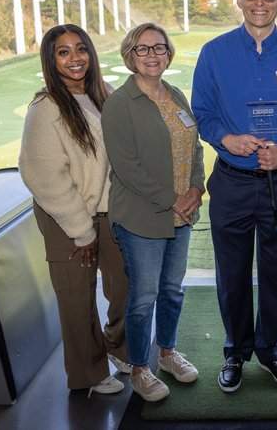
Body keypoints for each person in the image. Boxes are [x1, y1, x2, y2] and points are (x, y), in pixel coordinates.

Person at [191, 0, 277, 393]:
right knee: (230, 271)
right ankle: (235, 351)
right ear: (240, 0)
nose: (260, 3)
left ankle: (269, 350)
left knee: (276, 270)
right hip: (231, 180)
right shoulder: (214, 52)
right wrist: (226, 138)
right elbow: (204, 113)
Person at [19, 24, 131, 397]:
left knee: (125, 286)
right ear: (51, 61)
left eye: (80, 49)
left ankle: (118, 346)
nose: (74, 59)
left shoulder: (103, 95)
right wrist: (81, 231)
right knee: (77, 297)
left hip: (109, 212)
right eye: (63, 52)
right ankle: (88, 372)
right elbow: (44, 175)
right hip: (66, 217)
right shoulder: (45, 107)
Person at [102, 22, 205, 403]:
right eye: (142, 49)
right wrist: (172, 198)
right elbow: (126, 165)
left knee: (172, 290)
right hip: (142, 216)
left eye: (158, 48)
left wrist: (196, 187)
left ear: (168, 53)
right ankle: (140, 369)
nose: (151, 55)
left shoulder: (176, 94)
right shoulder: (119, 103)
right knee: (144, 296)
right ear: (130, 55)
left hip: (182, 214)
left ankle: (167, 353)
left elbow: (195, 147)